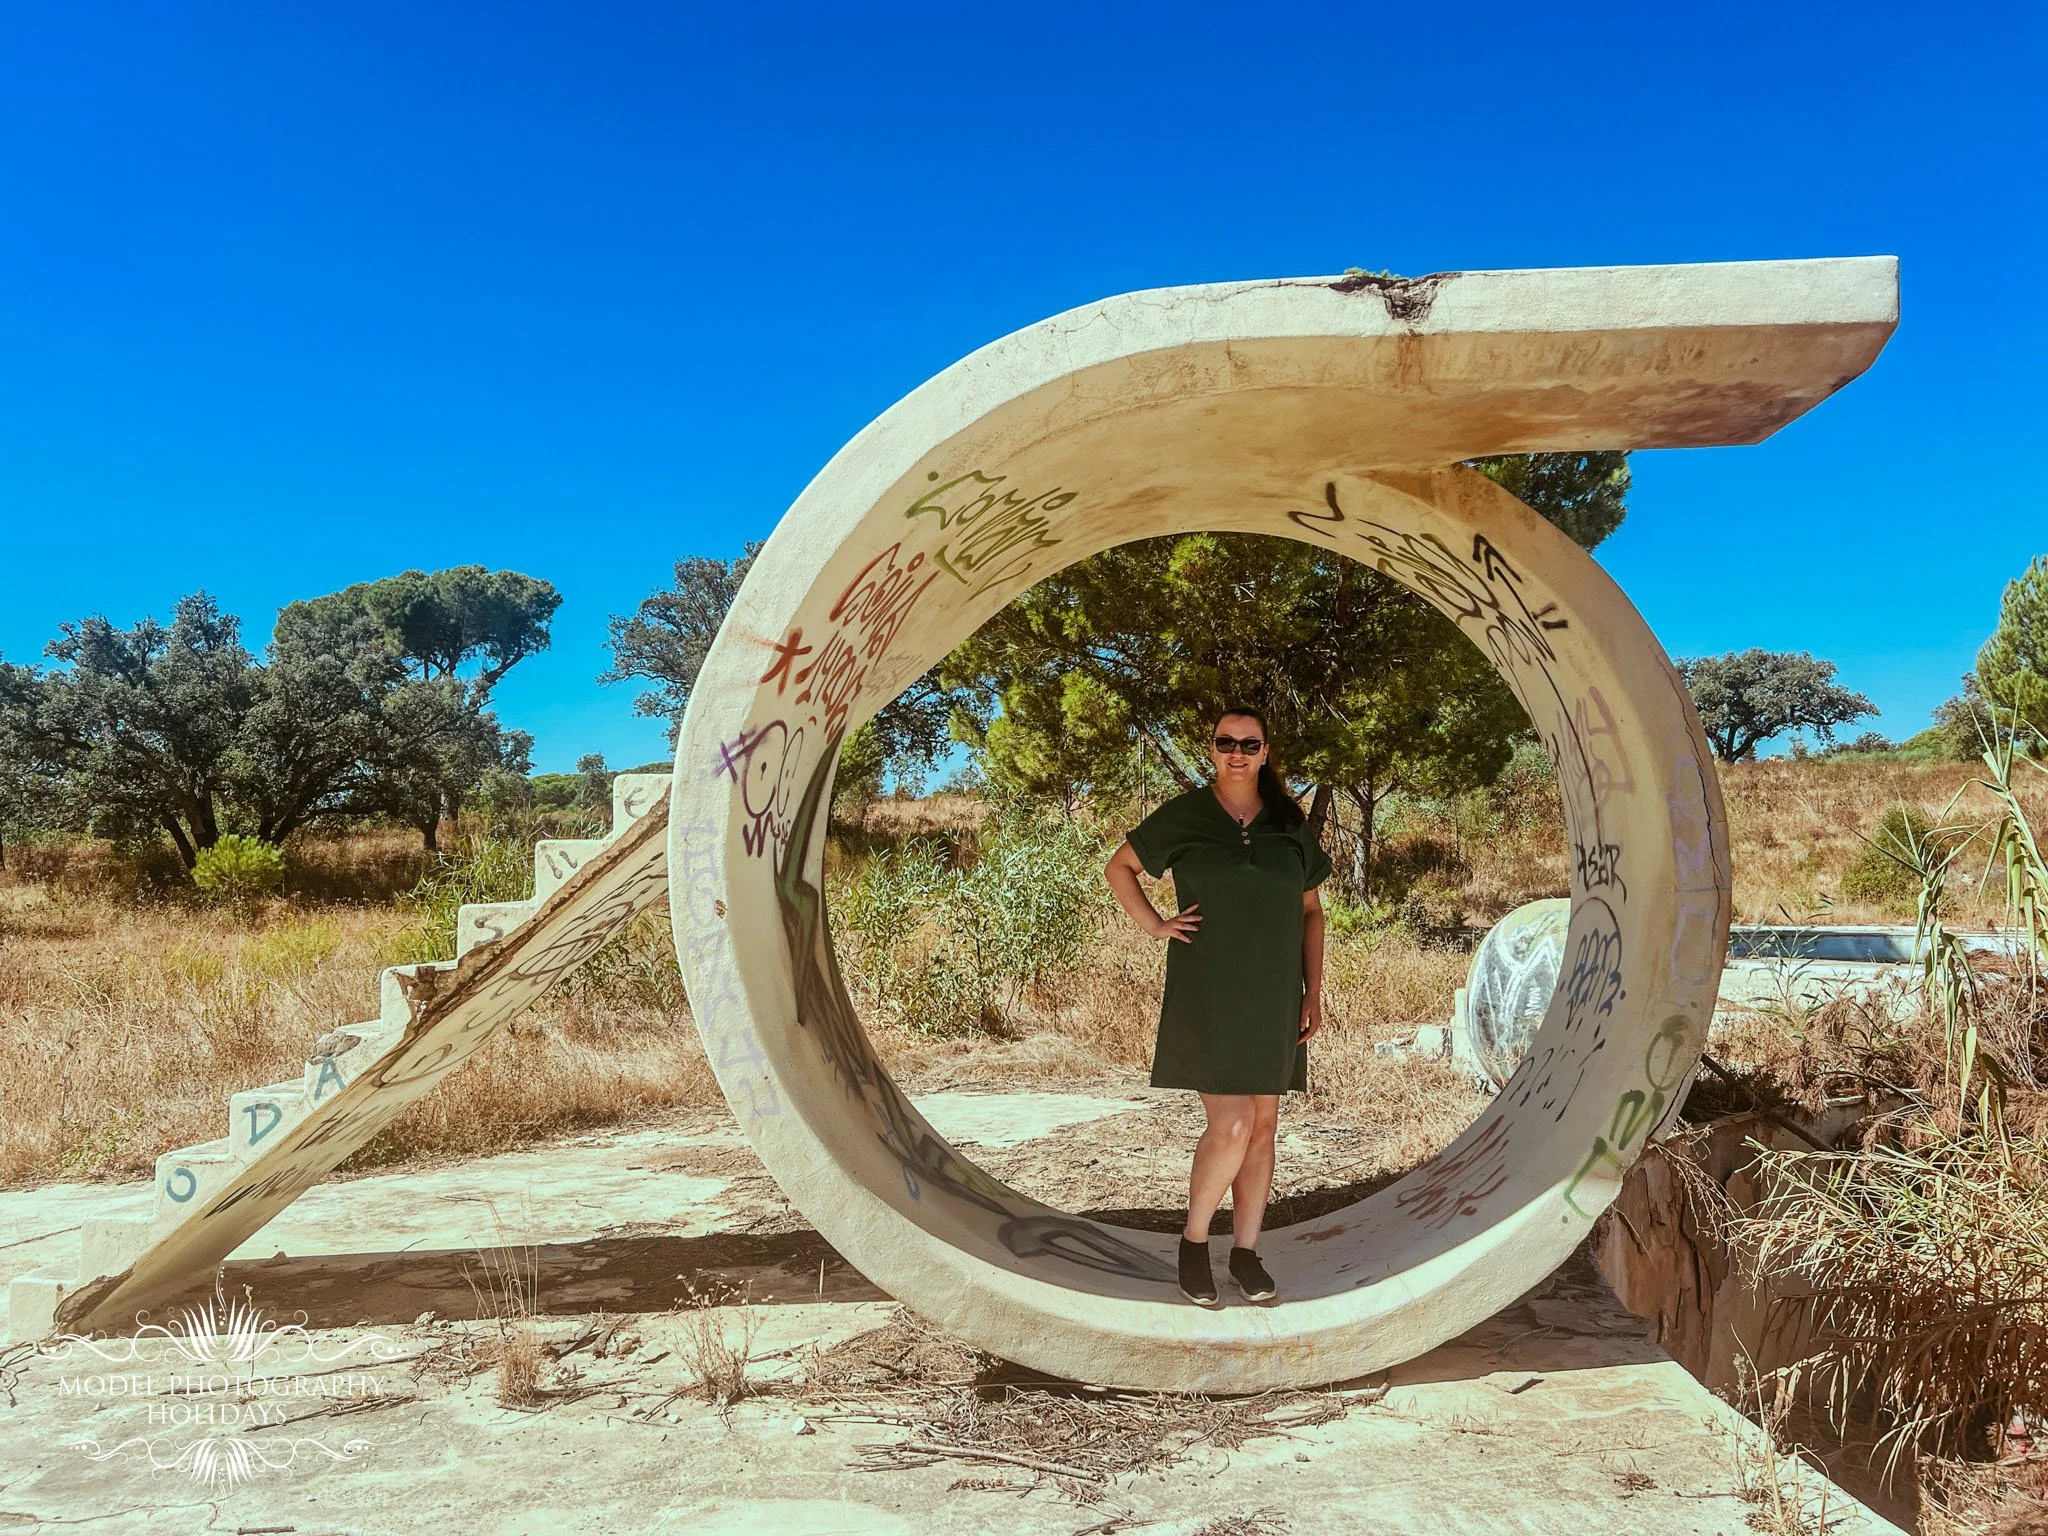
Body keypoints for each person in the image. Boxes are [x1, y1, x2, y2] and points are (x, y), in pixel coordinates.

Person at [1104, 707, 1330, 1306]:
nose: (1237, 752)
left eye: (1249, 743)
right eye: (1225, 742)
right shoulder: (1187, 815)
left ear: (1265, 751)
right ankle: (1194, 1243)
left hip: (1275, 996)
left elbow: (1311, 911)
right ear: (1211, 749)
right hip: (1207, 990)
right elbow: (1119, 868)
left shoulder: (1288, 821)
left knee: (1263, 1130)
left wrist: (1314, 992)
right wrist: (1155, 925)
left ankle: (1248, 1254)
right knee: (1230, 1126)